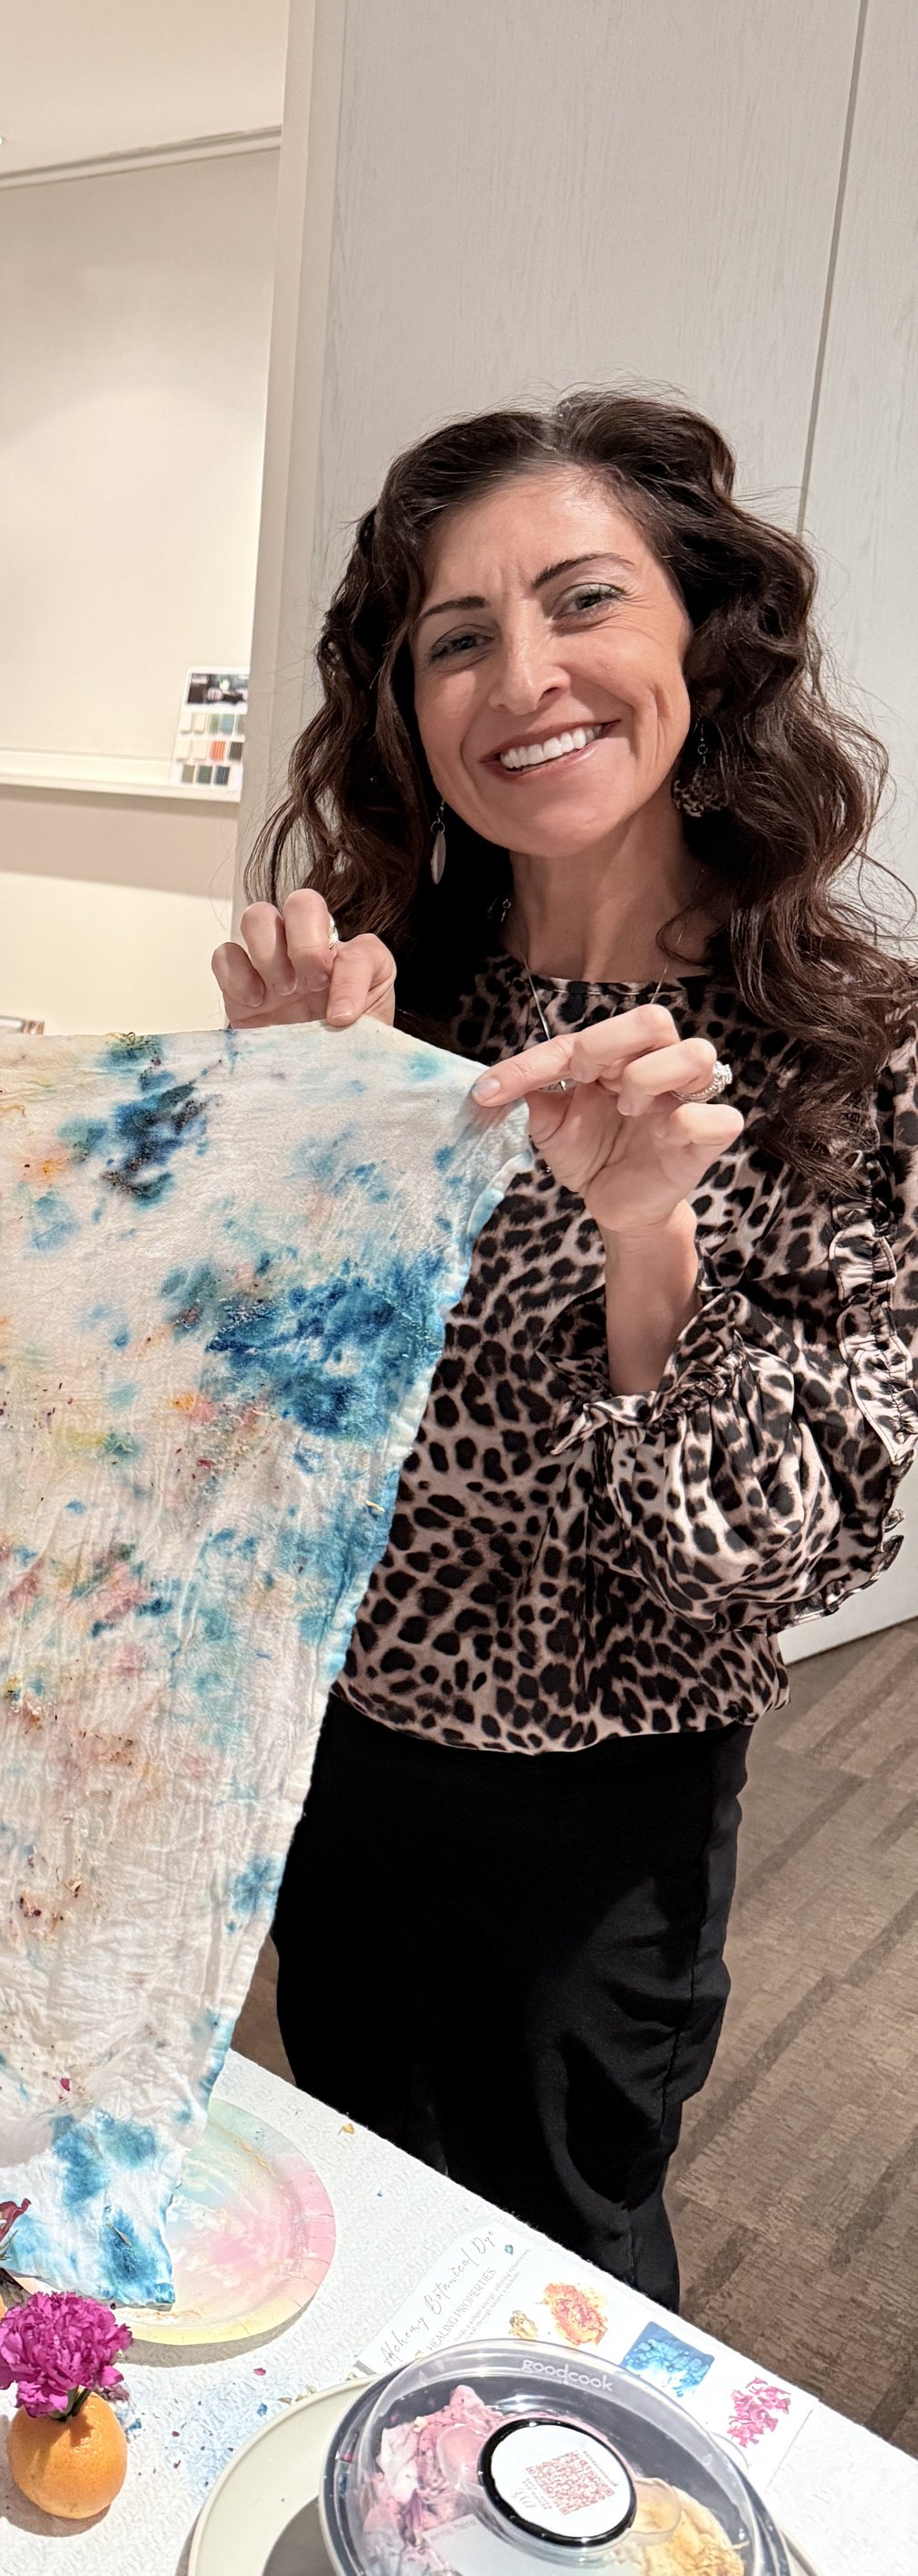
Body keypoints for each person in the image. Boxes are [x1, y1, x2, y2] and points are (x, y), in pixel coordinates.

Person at [215, 391, 918, 2306]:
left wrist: (643, 1239)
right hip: (336, 1754)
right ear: (404, 701)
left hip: (594, 1819)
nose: (519, 674)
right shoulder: (389, 1006)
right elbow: (241, 1419)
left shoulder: (846, 1046)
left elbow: (809, 1541)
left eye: (579, 600)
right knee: (338, 2187)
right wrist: (264, 1142)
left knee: (553, 2273)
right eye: (453, 635)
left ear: (698, 635)